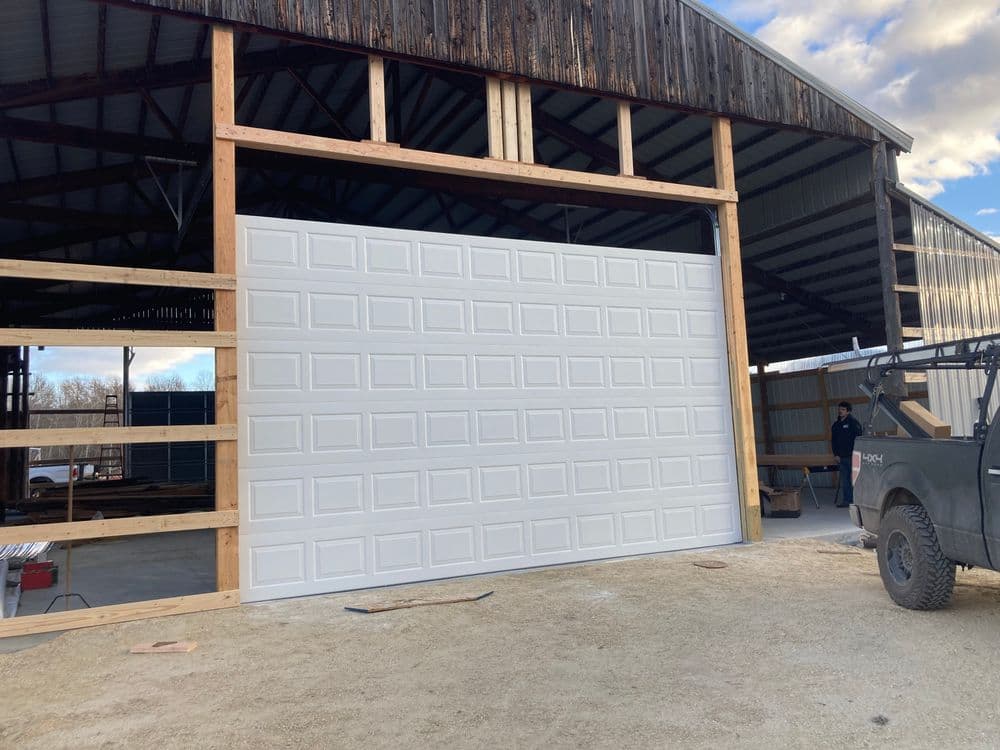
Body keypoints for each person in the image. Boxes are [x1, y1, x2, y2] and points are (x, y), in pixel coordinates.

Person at [831, 401, 863, 507]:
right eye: (839, 409)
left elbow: (859, 439)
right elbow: (833, 441)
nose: (840, 411)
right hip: (842, 457)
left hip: (854, 456)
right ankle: (847, 501)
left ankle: (858, 501)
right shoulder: (836, 425)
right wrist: (836, 454)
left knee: (856, 480)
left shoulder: (854, 423)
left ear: (848, 411)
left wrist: (857, 454)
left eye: (843, 409)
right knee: (845, 481)